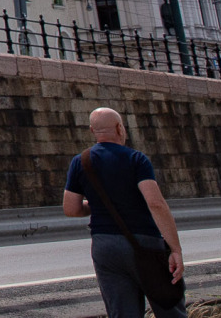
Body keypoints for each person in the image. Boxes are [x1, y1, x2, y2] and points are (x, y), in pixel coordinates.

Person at [62, 106, 186, 318]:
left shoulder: (81, 162)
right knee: (169, 305)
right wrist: (175, 249)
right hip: (144, 243)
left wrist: (99, 204)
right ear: (120, 128)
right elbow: (155, 203)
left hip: (104, 246)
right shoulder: (136, 159)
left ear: (92, 130)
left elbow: (71, 208)